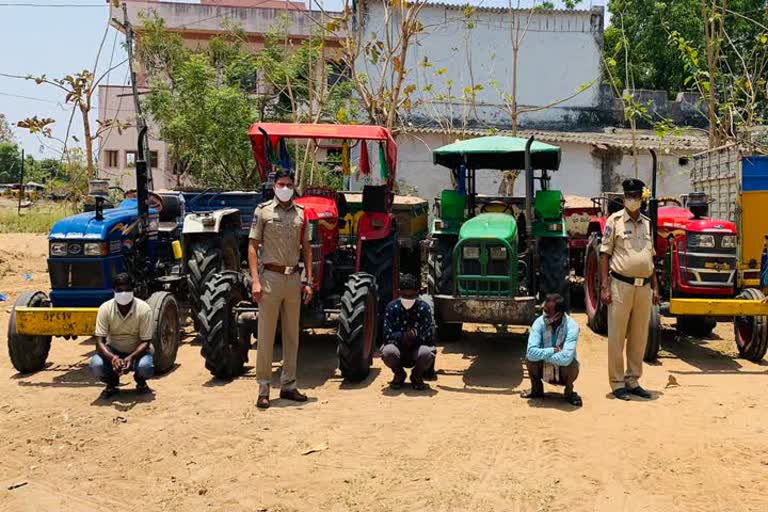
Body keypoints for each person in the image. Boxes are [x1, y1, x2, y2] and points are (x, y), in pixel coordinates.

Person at [249, 169, 313, 409]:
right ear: (274, 186)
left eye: (288, 184)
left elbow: (306, 248)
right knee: (265, 335)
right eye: (281, 184)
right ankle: (264, 388)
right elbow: (253, 247)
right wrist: (255, 280)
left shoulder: (301, 214)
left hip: (293, 278)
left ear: (294, 186)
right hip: (270, 278)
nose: (285, 188)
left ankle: (288, 384)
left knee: (291, 335)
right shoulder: (263, 211)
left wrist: (308, 280)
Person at [600, 178, 660, 401]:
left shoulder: (647, 223)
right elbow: (605, 255)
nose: (632, 200)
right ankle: (617, 383)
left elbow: (650, 258)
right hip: (620, 285)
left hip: (643, 287)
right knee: (617, 336)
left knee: (639, 336)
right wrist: (604, 287)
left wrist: (656, 287)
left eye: (635, 196)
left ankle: (633, 380)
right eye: (628, 196)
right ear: (624, 198)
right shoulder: (613, 221)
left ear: (641, 199)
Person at [89, 273, 154, 399]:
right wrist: (113, 358)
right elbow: (99, 342)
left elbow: (146, 341)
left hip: (137, 352)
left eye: (127, 289)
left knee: (145, 367)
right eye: (120, 290)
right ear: (114, 291)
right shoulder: (105, 308)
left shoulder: (144, 309)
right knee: (96, 365)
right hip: (113, 350)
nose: (124, 293)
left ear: (133, 290)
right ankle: (111, 383)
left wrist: (131, 357)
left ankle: (141, 382)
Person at [522, 293, 582, 407]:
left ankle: (569, 393)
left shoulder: (572, 326)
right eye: (544, 311)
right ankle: (536, 390)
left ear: (558, 315)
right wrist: (553, 350)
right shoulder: (538, 323)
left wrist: (542, 354)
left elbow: (566, 359)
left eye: (548, 312)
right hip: (545, 368)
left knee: (572, 364)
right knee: (529, 360)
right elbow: (530, 354)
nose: (544, 315)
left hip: (564, 371)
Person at [381, 274, 436, 390]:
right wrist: (403, 336)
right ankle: (399, 374)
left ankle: (416, 376)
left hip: (417, 349)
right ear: (399, 292)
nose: (408, 298)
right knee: (387, 352)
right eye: (404, 295)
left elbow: (429, 336)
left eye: (411, 295)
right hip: (398, 349)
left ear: (417, 292)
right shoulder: (391, 308)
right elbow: (386, 335)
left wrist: (414, 337)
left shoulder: (424, 308)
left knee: (426, 353)